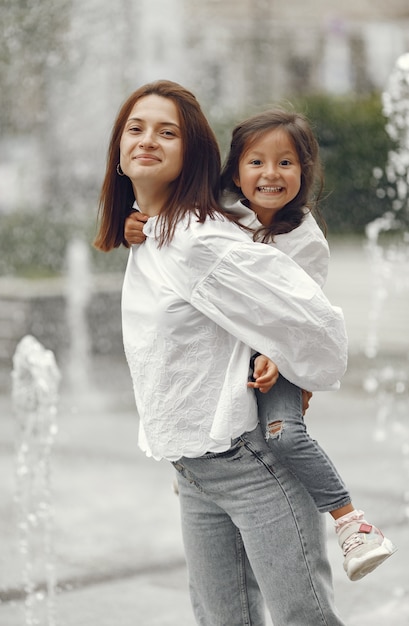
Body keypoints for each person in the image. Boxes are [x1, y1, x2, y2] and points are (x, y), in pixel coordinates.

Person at [94, 79, 349, 625]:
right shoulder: (158, 233)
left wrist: (292, 367)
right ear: (118, 150)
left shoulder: (199, 241)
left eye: (168, 132)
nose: (147, 140)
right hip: (194, 468)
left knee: (302, 619)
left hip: (250, 461)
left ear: (193, 155)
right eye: (135, 128)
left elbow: (316, 321)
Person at [125, 106, 397, 583]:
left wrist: (274, 355)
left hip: (281, 358)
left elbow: (300, 317)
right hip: (240, 364)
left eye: (286, 163)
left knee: (285, 434)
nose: (270, 174)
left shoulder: (305, 239)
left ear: (305, 172)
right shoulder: (222, 210)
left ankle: (353, 524)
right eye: (256, 162)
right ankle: (196, 470)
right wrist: (139, 223)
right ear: (235, 169)